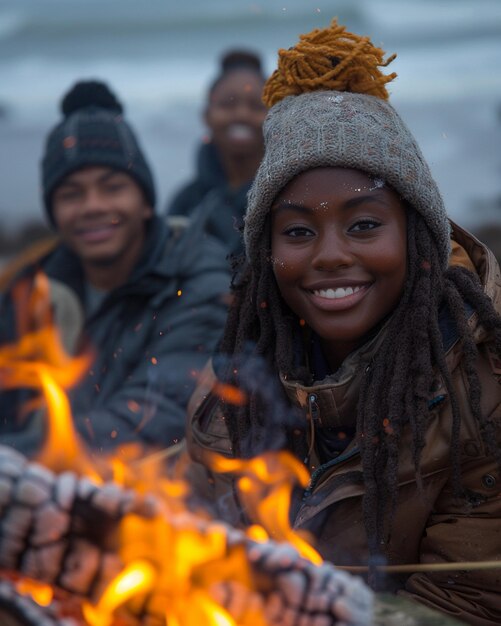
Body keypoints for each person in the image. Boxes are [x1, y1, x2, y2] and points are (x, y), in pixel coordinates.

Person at [182, 20, 501, 625]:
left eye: (363, 226)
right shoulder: (230, 388)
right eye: (298, 231)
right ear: (265, 256)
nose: (330, 254)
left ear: (418, 239)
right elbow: (190, 549)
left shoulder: (484, 396)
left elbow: (468, 603)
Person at [0, 80, 230, 456]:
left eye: (112, 187)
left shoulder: (200, 282)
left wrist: (16, 457)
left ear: (145, 202)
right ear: (54, 213)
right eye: (72, 193)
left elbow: (154, 416)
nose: (92, 205)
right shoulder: (31, 290)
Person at [166, 49, 268, 258]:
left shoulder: (289, 194)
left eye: (256, 105)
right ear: (206, 115)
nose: (241, 114)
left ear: (275, 115)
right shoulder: (186, 202)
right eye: (228, 104)